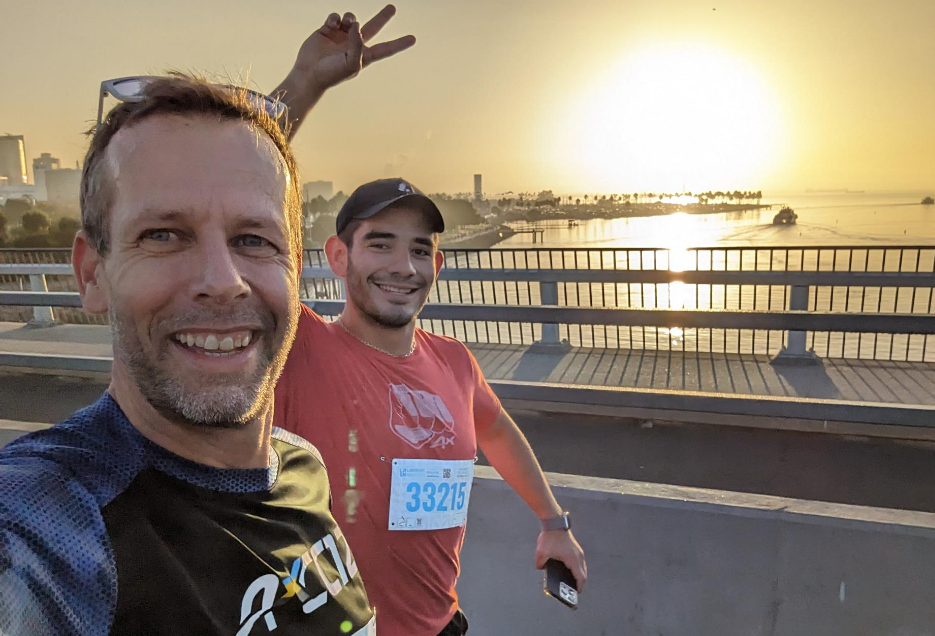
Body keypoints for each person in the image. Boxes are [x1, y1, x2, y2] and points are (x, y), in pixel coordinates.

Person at [0, 75, 379, 635]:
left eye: (254, 240)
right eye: (163, 235)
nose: (223, 282)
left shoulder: (300, 466)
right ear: (91, 273)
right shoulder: (48, 523)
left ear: (295, 270)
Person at [273, 178, 589, 636]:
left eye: (420, 251)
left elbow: (496, 430)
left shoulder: (455, 361)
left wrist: (553, 522)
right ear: (338, 256)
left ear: (437, 265)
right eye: (380, 245)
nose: (404, 267)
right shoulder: (301, 347)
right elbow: (250, 249)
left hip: (442, 624)